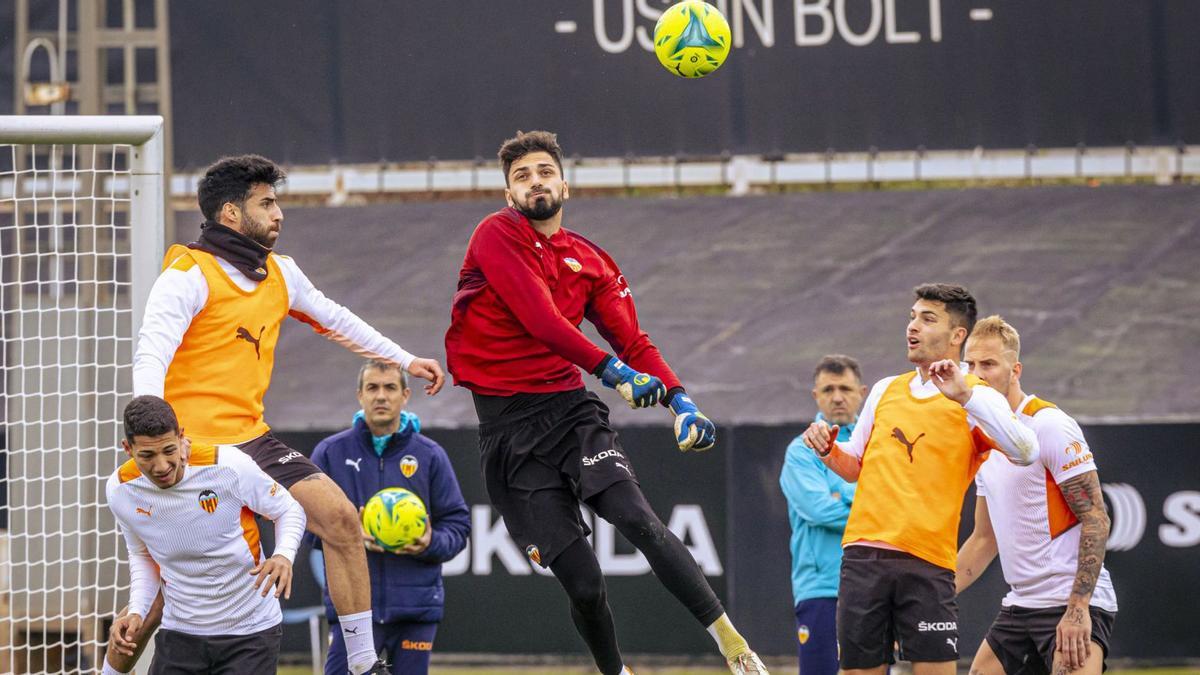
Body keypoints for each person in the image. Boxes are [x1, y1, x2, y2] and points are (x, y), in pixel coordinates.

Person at [443, 130, 768, 675]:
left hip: (571, 413)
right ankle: (615, 672)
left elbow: (635, 343)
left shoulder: (591, 260)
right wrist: (613, 373)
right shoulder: (496, 234)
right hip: (508, 434)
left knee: (639, 520)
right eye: (521, 177)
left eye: (545, 171)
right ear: (508, 196)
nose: (535, 182)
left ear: (565, 184)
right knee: (585, 584)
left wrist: (682, 402)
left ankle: (733, 644)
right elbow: (539, 319)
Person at [115, 154, 445, 675]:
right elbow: (150, 355)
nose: (279, 213)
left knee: (339, 518)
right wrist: (152, 440)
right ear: (230, 213)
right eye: (266, 203)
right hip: (191, 447)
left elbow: (335, 319)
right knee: (160, 597)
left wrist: (405, 358)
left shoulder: (280, 272)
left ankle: (362, 664)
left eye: (277, 202)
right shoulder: (187, 273)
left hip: (253, 439)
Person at [801, 283, 1040, 675]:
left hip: (927, 563)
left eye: (928, 319)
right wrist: (827, 449)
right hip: (863, 556)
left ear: (957, 335)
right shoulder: (885, 389)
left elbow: (1025, 450)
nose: (912, 326)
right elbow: (855, 467)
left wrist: (966, 397)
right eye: (912, 317)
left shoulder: (974, 395)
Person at [958, 316, 1117, 675]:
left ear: (1015, 370)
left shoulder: (1048, 423)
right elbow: (984, 539)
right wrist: (929, 601)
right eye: (970, 364)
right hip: (1020, 605)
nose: (977, 374)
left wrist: (1077, 609)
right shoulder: (982, 434)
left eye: (988, 364)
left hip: (1071, 603)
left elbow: (1096, 516)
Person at [104, 395, 306, 675]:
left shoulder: (228, 465)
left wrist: (283, 555)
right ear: (128, 449)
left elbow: (289, 509)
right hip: (180, 633)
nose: (161, 466)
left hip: (251, 632)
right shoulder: (120, 490)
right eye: (147, 456)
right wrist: (137, 610)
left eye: (169, 450)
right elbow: (142, 556)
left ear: (182, 436)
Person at [306, 359, 471, 675]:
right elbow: (306, 523)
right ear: (360, 395)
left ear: (405, 395)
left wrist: (428, 542)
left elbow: (458, 524)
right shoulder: (329, 453)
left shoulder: (430, 455)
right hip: (352, 610)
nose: (381, 396)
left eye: (390, 388)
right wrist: (349, 537)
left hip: (415, 611)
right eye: (372, 388)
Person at [780, 355, 867, 675]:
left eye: (845, 388)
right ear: (816, 396)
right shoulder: (802, 450)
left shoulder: (875, 445)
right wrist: (870, 501)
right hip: (821, 589)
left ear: (862, 392)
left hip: (875, 586)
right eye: (828, 389)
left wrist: (840, 495)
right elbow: (820, 511)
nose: (838, 397)